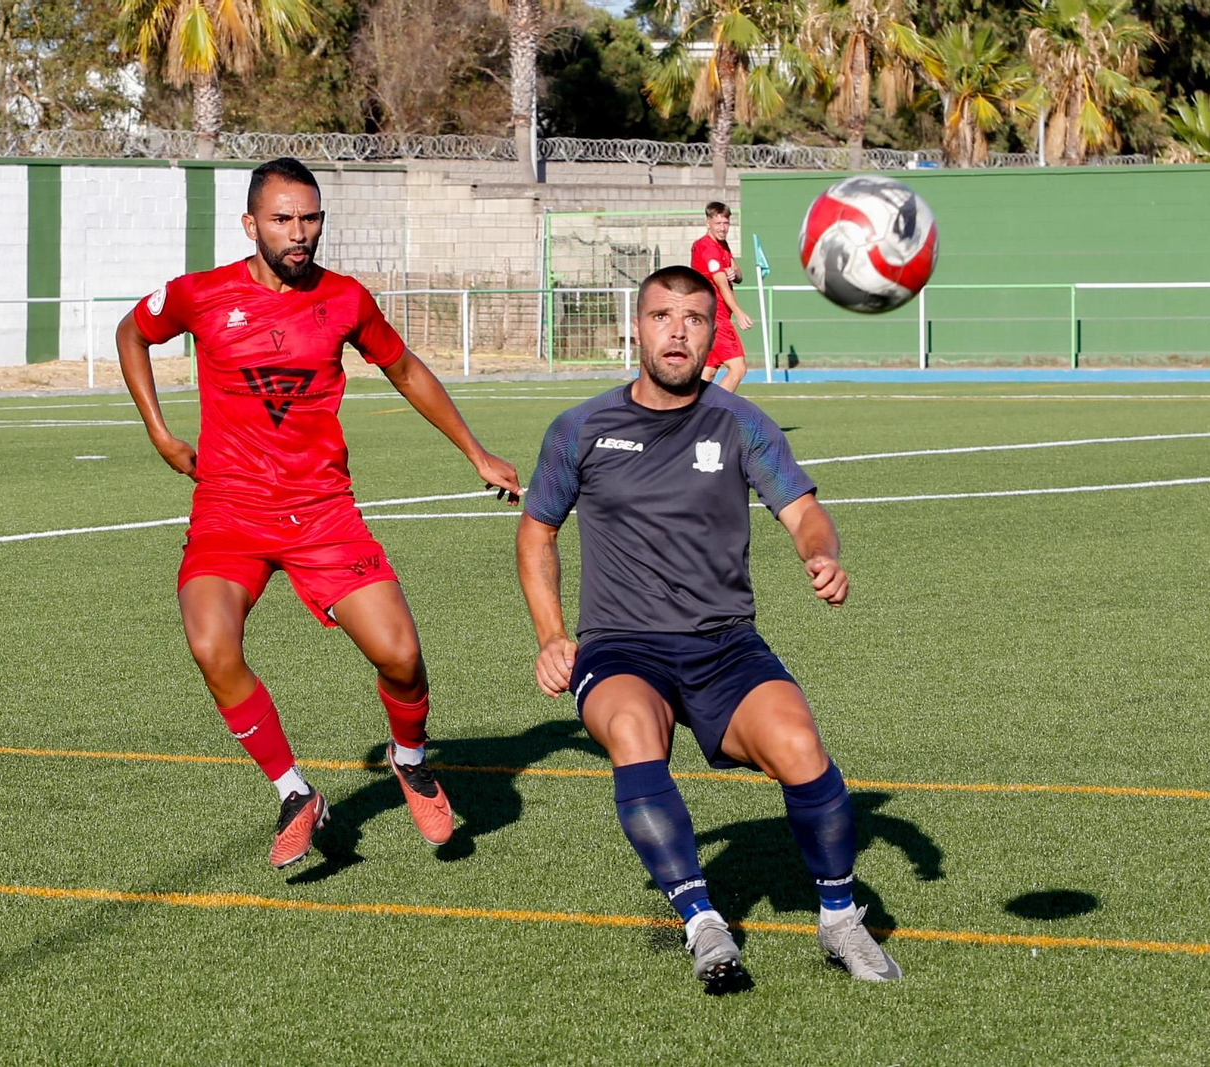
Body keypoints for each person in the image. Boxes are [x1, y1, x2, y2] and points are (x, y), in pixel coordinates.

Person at [116, 157, 522, 870]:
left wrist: (476, 452)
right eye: (282, 219)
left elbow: (404, 369)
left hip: (322, 511)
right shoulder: (200, 294)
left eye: (309, 218)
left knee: (401, 655)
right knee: (211, 644)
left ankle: (410, 758)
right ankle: (294, 792)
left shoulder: (345, 298)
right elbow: (132, 332)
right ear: (251, 225)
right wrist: (160, 432)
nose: (298, 233)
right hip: (230, 509)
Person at [515, 265, 901, 992]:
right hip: (622, 646)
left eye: (694, 319)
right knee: (633, 729)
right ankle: (702, 921)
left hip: (724, 642)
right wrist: (552, 635)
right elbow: (537, 531)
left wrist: (819, 553)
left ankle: (840, 919)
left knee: (800, 746)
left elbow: (803, 511)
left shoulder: (740, 422)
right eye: (662, 316)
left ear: (711, 333)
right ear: (636, 326)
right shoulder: (580, 428)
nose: (677, 332)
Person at [689, 201, 753, 393]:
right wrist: (739, 312)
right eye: (718, 223)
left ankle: (687, 410)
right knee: (738, 369)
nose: (722, 228)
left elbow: (738, 274)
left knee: (707, 373)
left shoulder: (722, 245)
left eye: (726, 223)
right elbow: (721, 284)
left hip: (707, 317)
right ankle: (713, 409)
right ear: (708, 222)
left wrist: (734, 273)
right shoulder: (708, 248)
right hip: (715, 317)